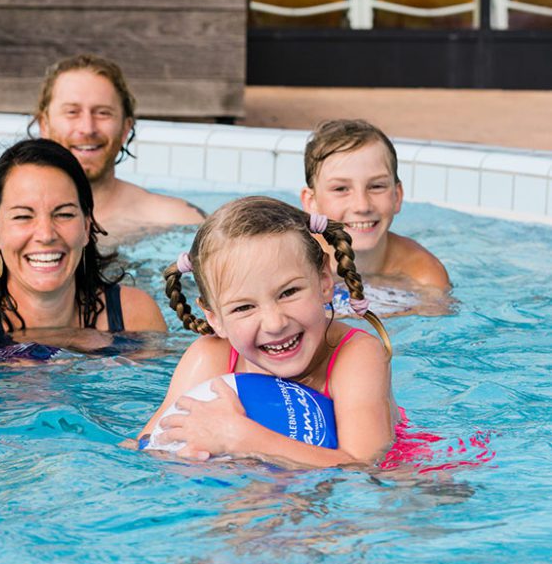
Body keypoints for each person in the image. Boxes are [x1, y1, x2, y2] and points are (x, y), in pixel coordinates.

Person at [136, 196, 397, 468]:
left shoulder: (356, 356)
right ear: (215, 318)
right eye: (244, 307)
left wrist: (240, 438)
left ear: (324, 281)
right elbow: (147, 443)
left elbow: (364, 466)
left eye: (289, 292)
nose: (275, 323)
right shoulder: (210, 358)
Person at [0, 138, 168, 357]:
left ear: (87, 225)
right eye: (23, 216)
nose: (45, 234)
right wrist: (3, 362)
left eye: (64, 214)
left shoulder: (133, 315)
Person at [0, 54, 204, 245]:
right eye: (72, 112)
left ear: (125, 128)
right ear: (44, 124)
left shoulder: (177, 220)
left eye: (103, 113)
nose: (87, 128)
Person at [301, 119, 450, 292]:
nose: (362, 206)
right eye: (341, 189)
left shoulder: (424, 277)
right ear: (311, 203)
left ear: (397, 196)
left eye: (376, 186)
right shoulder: (293, 263)